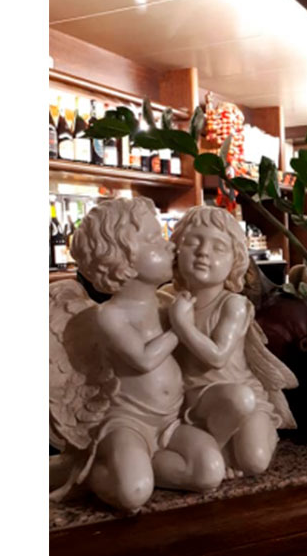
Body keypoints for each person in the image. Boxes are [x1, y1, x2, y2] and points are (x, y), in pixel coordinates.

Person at [53, 197, 225, 511]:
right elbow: (144, 358)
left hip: (170, 421)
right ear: (123, 260)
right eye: (154, 240)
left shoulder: (166, 302)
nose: (169, 245)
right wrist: (180, 326)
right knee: (132, 494)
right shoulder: (111, 315)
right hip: (128, 424)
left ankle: (142, 467)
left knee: (210, 471)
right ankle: (94, 473)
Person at [169, 206, 297, 477]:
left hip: (244, 397)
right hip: (195, 399)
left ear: (235, 261)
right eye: (193, 242)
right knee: (235, 404)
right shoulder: (167, 300)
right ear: (176, 249)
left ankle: (245, 439)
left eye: (218, 247)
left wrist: (182, 324)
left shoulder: (233, 304)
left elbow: (217, 356)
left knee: (254, 461)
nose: (204, 252)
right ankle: (213, 450)